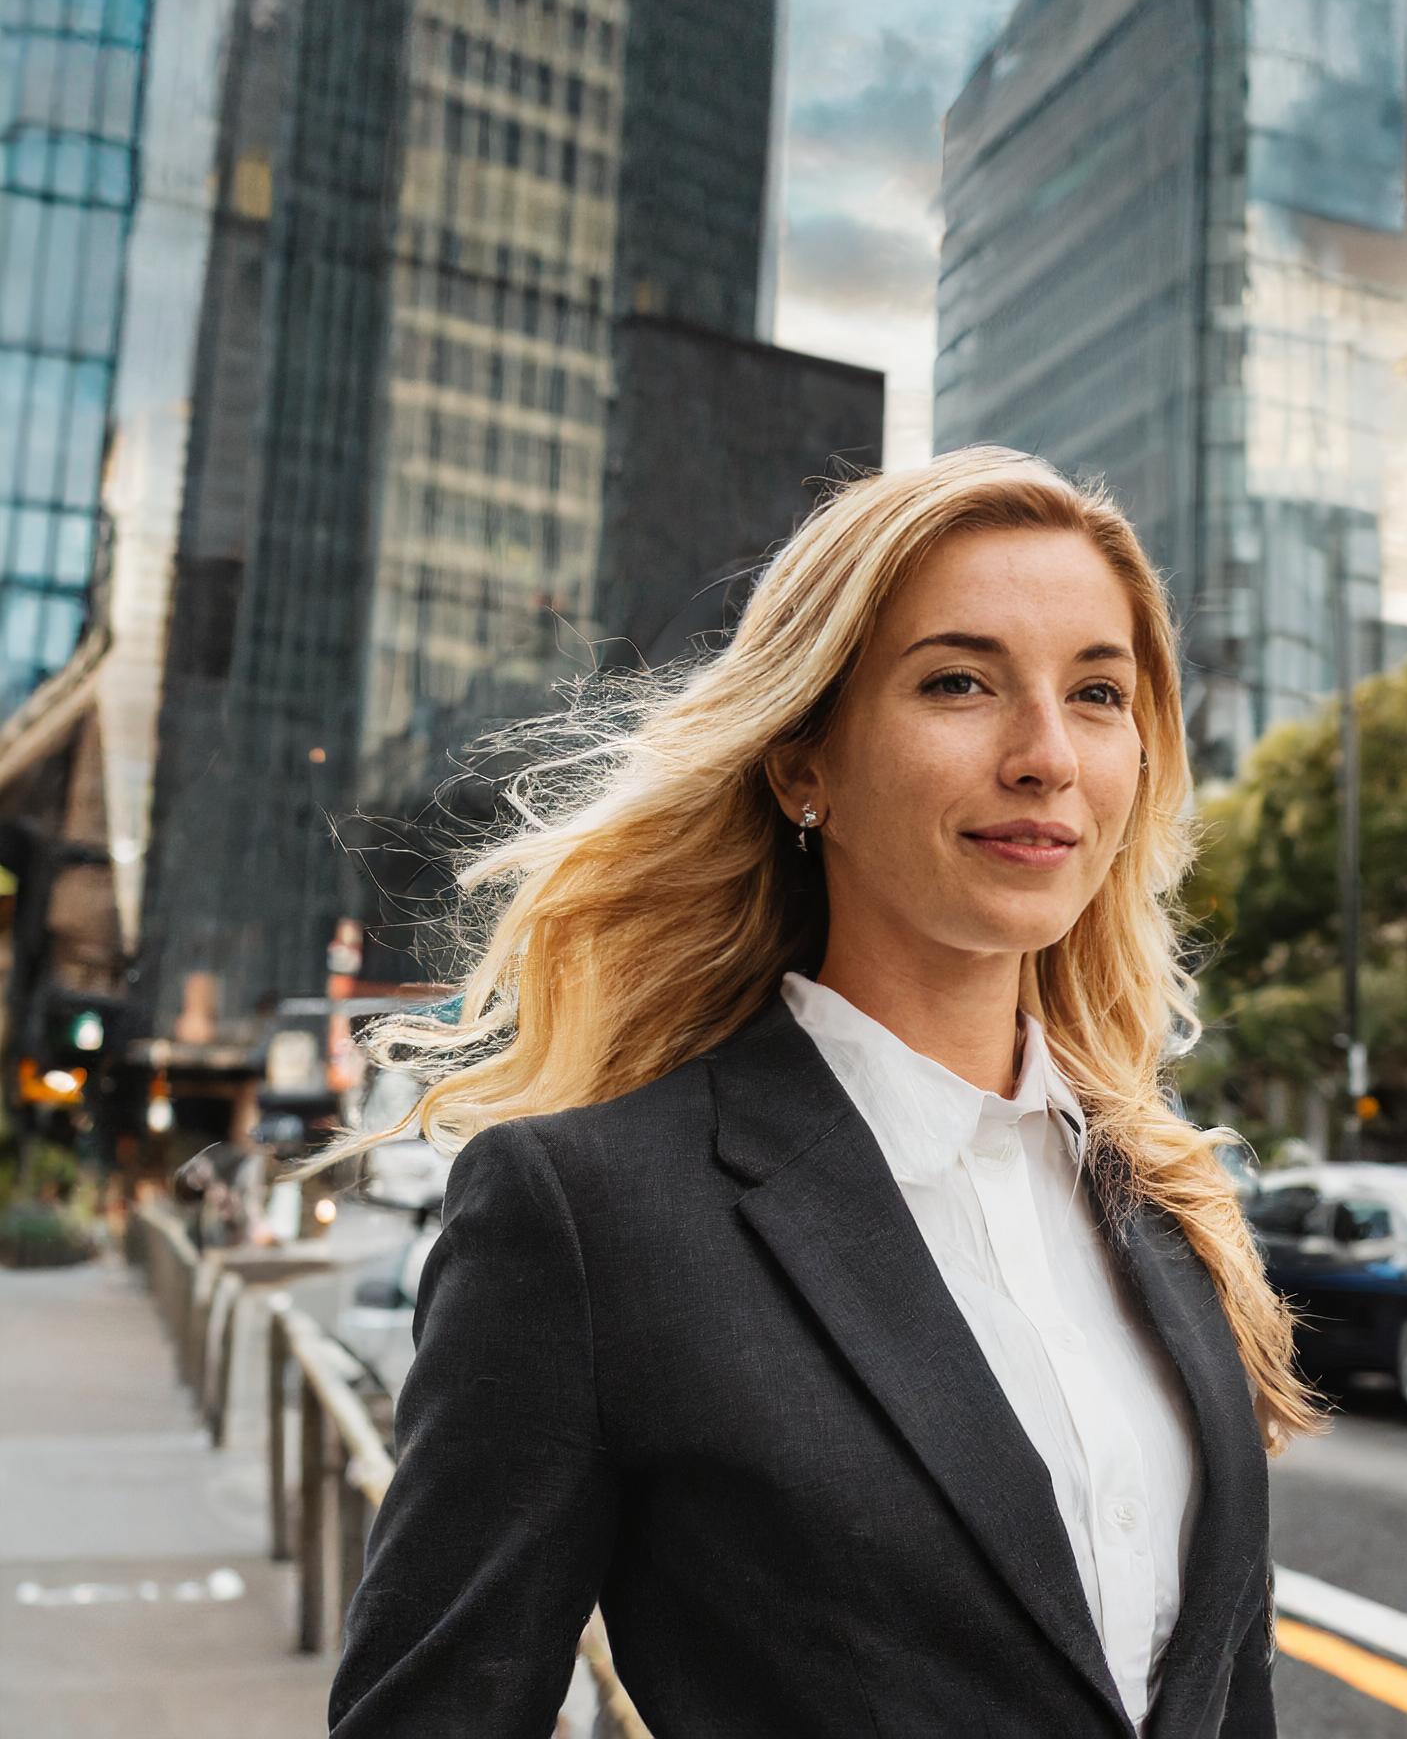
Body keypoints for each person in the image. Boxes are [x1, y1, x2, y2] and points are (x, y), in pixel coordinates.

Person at [315, 447, 1321, 1737]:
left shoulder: (1165, 1199)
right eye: (959, 682)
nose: (1046, 755)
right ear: (805, 768)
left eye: (1099, 693)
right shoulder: (585, 1215)